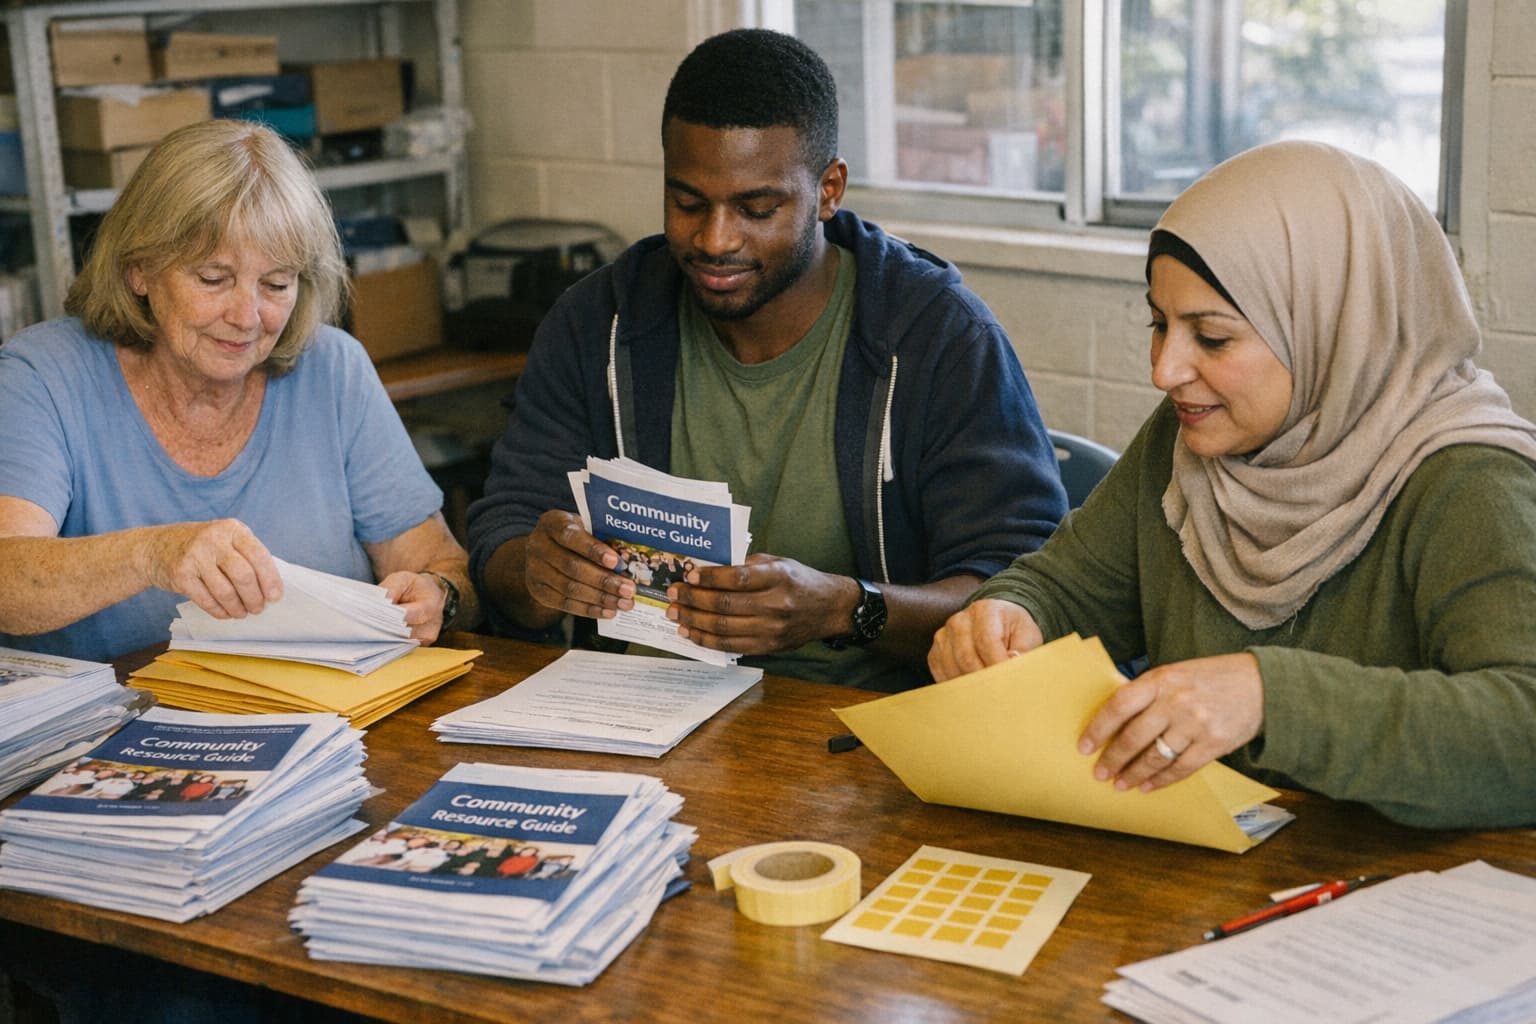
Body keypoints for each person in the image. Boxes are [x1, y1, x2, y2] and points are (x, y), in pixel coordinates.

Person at [928, 140, 1536, 830]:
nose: (1166, 371)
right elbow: (1068, 586)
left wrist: (1267, 696)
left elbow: (1523, 728)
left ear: (1332, 332)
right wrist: (1008, 615)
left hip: (1407, 894)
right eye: (1159, 325)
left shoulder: (1469, 479)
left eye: (1212, 338)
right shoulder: (1189, 436)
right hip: (1221, 870)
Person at [467, 28, 1066, 692]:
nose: (715, 239)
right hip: (635, 714)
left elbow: (1022, 594)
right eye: (687, 202)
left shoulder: (936, 336)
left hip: (857, 729)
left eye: (757, 208)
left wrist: (845, 608)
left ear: (828, 190)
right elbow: (504, 538)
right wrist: (537, 570)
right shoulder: (597, 322)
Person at [0, 119, 477, 663]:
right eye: (213, 279)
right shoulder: (42, 375)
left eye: (276, 284)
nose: (247, 317)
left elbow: (441, 561)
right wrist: (152, 554)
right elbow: (5, 583)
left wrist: (439, 595)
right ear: (139, 271)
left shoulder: (333, 368)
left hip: (323, 725)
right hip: (115, 732)